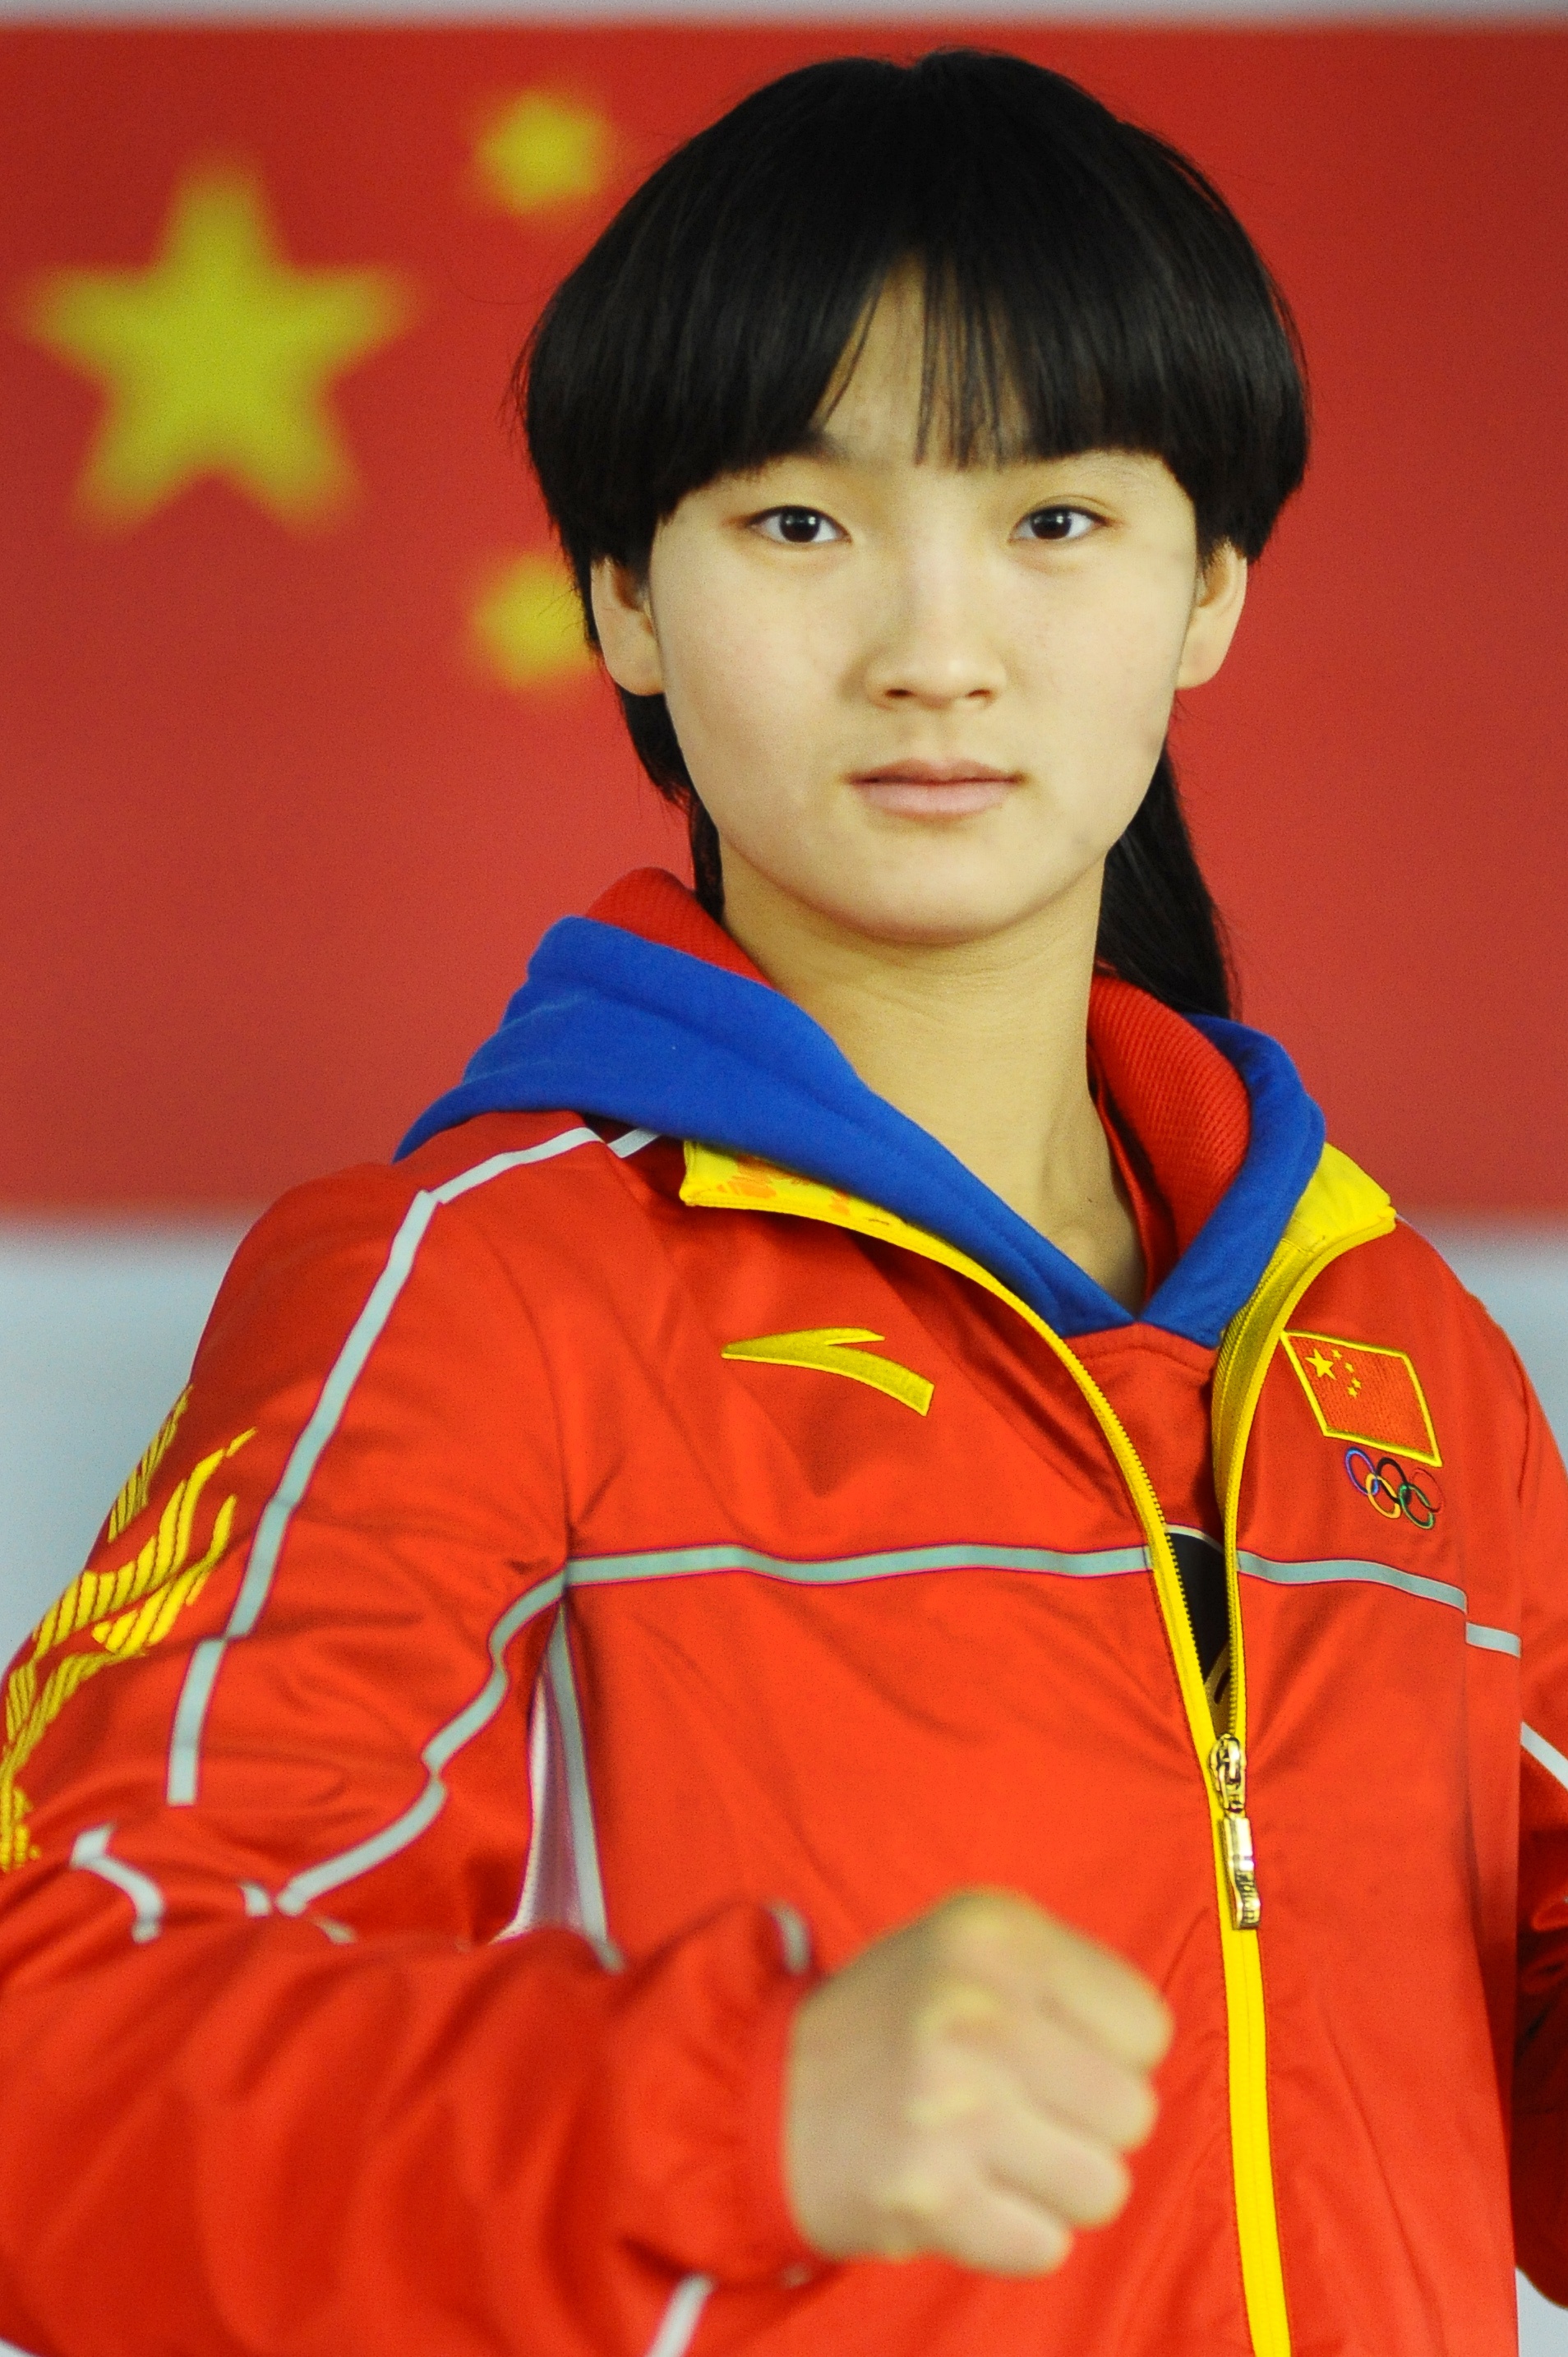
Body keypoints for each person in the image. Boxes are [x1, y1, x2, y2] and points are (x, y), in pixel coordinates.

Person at [0, 45, 1564, 2357]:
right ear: (623, 603)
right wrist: (730, 2109)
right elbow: (54, 2060)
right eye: (800, 525)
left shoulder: (1393, 1344)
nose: (935, 649)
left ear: (1209, 593)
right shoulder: (476, 1291)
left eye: (1056, 521)